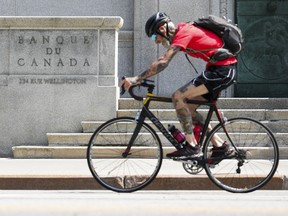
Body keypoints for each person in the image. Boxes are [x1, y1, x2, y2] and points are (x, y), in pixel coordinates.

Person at [121, 12, 236, 158]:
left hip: (221, 71)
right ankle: (220, 146)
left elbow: (163, 62)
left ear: (162, 29)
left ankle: (192, 147)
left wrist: (136, 79)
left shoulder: (185, 32)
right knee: (189, 108)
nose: (156, 42)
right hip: (218, 71)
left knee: (178, 97)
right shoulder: (183, 32)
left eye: (154, 37)